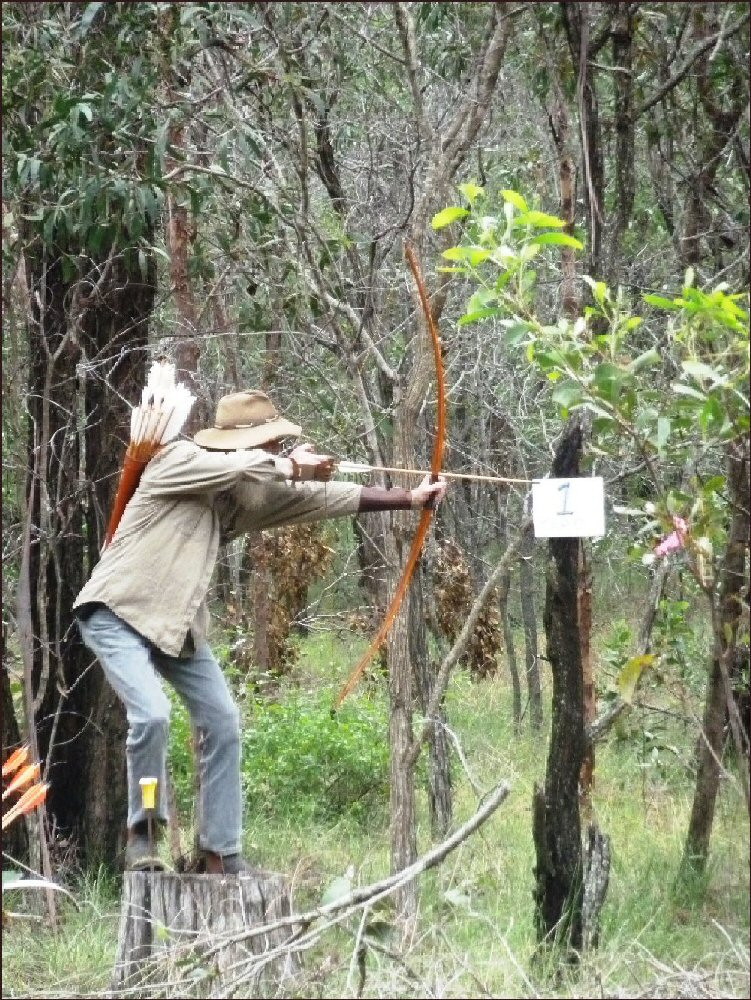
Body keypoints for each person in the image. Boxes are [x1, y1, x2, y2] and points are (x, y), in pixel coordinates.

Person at [74, 389, 447, 874]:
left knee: (223, 723)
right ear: (239, 446)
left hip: (176, 627)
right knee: (152, 717)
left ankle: (220, 853)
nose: (274, 455)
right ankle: (143, 833)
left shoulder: (244, 499)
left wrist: (410, 498)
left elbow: (321, 497)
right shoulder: (176, 461)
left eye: (277, 448)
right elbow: (247, 471)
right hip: (116, 612)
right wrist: (290, 466)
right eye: (267, 447)